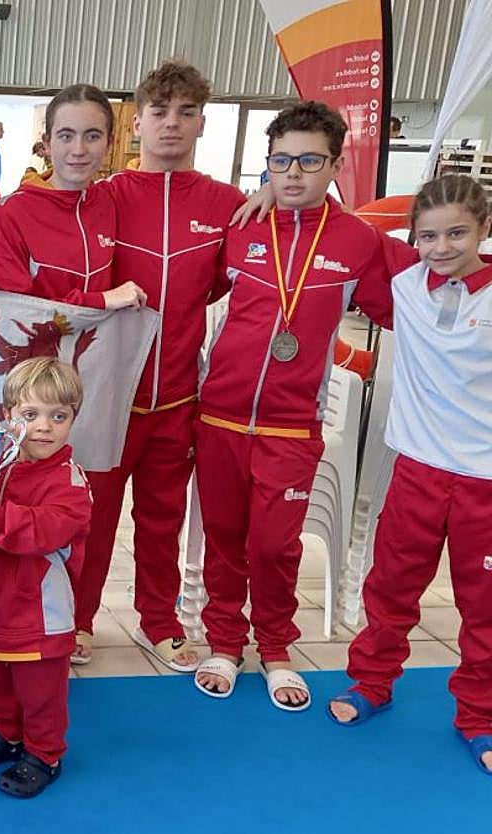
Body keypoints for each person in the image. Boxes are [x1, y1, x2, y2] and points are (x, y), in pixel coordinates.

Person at [192, 101, 418, 710]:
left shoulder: (359, 242)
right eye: (281, 161)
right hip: (218, 416)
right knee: (224, 537)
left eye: (310, 161)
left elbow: (422, 290)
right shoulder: (241, 224)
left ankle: (275, 647)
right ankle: (224, 642)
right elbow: (189, 288)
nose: (293, 173)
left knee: (274, 545)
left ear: (336, 165)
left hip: (292, 426)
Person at [73, 61, 247, 673]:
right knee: (92, 521)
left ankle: (159, 621)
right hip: (106, 398)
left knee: (161, 519)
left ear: (202, 123)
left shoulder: (228, 205)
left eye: (186, 112)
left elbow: (223, 283)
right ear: (136, 123)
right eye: (160, 111)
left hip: (176, 398)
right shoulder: (102, 197)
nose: (172, 123)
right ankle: (79, 620)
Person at [328, 174, 492, 776]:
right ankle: (372, 682)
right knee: (391, 587)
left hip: (485, 482)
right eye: (427, 236)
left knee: (485, 607)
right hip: (417, 470)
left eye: (457, 234)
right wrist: (269, 188)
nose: (441, 247)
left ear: (484, 230)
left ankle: (480, 715)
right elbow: (341, 227)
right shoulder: (403, 284)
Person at [0, 358, 93, 798]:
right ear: (8, 415)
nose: (44, 427)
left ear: (73, 419)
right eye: (31, 414)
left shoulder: (70, 482)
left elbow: (46, 529)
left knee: (40, 694)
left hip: (38, 616)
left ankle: (45, 755)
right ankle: (8, 735)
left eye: (58, 416)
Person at [0, 83, 145, 311]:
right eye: (66, 136)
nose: (79, 149)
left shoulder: (109, 201)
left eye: (92, 136)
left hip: (103, 336)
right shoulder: (13, 211)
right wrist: (101, 300)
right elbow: (15, 313)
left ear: (109, 144)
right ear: (47, 143)